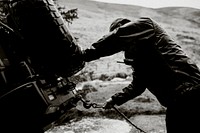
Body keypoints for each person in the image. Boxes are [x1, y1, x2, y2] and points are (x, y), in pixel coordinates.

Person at [81, 17, 200, 133]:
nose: (124, 47)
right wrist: (114, 99)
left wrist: (84, 55)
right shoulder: (138, 57)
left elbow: (118, 36)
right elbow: (138, 85)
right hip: (176, 103)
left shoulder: (147, 25)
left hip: (191, 91)